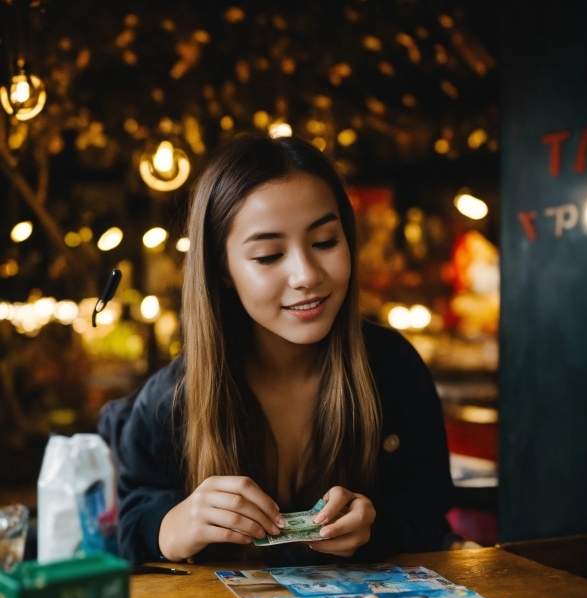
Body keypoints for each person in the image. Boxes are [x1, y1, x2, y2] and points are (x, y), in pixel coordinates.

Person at [113, 133, 453, 565]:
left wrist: (376, 525)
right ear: (223, 271)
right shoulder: (169, 399)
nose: (306, 274)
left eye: (325, 242)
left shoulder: (393, 368)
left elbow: (430, 508)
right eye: (270, 255)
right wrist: (171, 526)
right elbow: (127, 530)